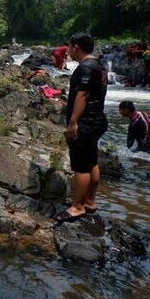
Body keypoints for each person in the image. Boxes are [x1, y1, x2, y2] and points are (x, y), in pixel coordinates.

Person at [57, 33, 108, 223]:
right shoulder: (99, 65)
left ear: (76, 47)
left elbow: (82, 96)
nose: (69, 50)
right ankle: (90, 202)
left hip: (84, 123)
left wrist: (73, 123)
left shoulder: (84, 68)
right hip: (98, 120)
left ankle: (77, 207)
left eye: (70, 47)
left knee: (80, 166)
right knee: (92, 161)